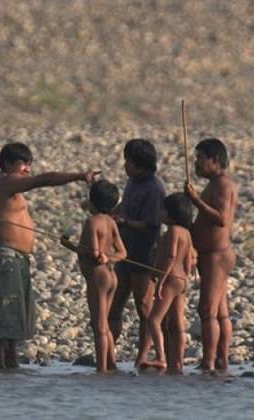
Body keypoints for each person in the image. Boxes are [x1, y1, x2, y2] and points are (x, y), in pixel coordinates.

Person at [0, 142, 98, 369]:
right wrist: (78, 175)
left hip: (17, 258)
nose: (27, 169)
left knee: (14, 313)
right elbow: (42, 180)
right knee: (3, 311)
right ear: (6, 164)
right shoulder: (4, 182)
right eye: (22, 164)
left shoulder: (12, 185)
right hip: (4, 256)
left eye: (29, 164)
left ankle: (11, 366)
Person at [108, 138, 166, 367]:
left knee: (144, 306)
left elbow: (151, 224)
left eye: (128, 161)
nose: (125, 166)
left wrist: (126, 222)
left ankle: (143, 356)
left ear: (140, 164)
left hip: (144, 253)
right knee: (116, 303)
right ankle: (108, 352)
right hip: (125, 252)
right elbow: (123, 207)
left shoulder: (154, 188)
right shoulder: (132, 182)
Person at [60, 180, 127, 373]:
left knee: (99, 326)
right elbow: (122, 253)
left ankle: (102, 369)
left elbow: (93, 252)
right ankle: (111, 364)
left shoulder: (92, 222)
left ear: (93, 203)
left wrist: (69, 245)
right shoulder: (111, 222)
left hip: (98, 276)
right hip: (111, 276)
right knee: (104, 323)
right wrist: (110, 257)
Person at [184, 138, 239, 373]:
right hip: (213, 255)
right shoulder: (215, 184)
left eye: (200, 159)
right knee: (220, 312)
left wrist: (195, 200)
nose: (196, 164)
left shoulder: (223, 185)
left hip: (217, 255)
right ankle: (220, 361)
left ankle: (209, 361)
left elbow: (221, 218)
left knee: (207, 310)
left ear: (214, 160)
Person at [145, 193, 195, 373]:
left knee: (153, 320)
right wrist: (186, 278)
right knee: (177, 323)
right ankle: (178, 361)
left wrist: (160, 282)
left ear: (171, 213)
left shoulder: (173, 231)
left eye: (163, 210)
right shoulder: (187, 233)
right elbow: (188, 261)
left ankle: (161, 357)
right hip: (182, 280)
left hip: (171, 279)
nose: (160, 213)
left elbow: (171, 257)